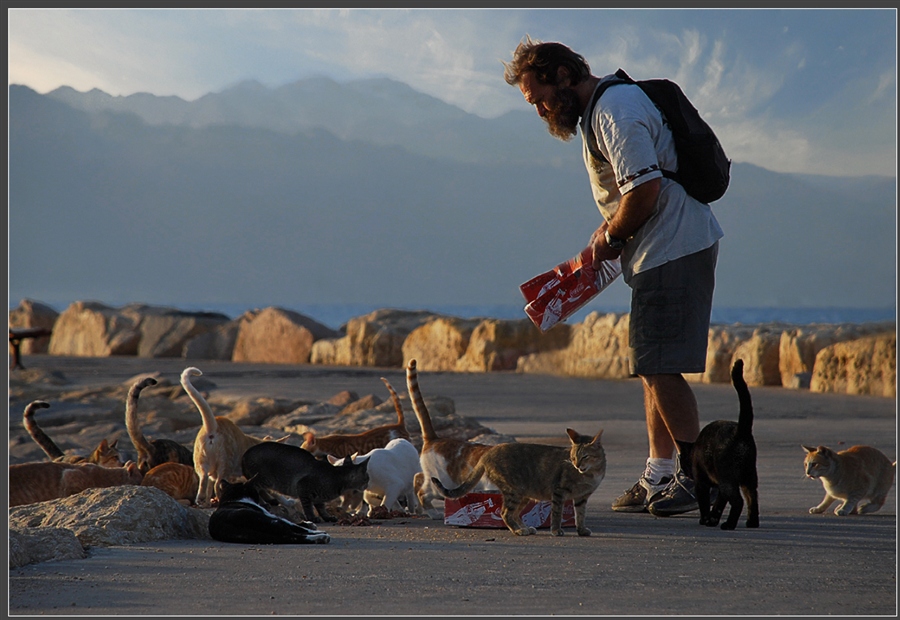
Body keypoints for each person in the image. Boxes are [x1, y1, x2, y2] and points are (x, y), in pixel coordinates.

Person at [503, 36, 724, 516]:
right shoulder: (604, 110)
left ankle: (696, 477)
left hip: (673, 246)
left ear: (563, 75)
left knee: (660, 366)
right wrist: (611, 229)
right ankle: (660, 474)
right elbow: (635, 190)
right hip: (659, 250)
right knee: (651, 367)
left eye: (539, 98)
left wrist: (611, 236)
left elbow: (643, 191)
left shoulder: (615, 109)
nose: (540, 111)